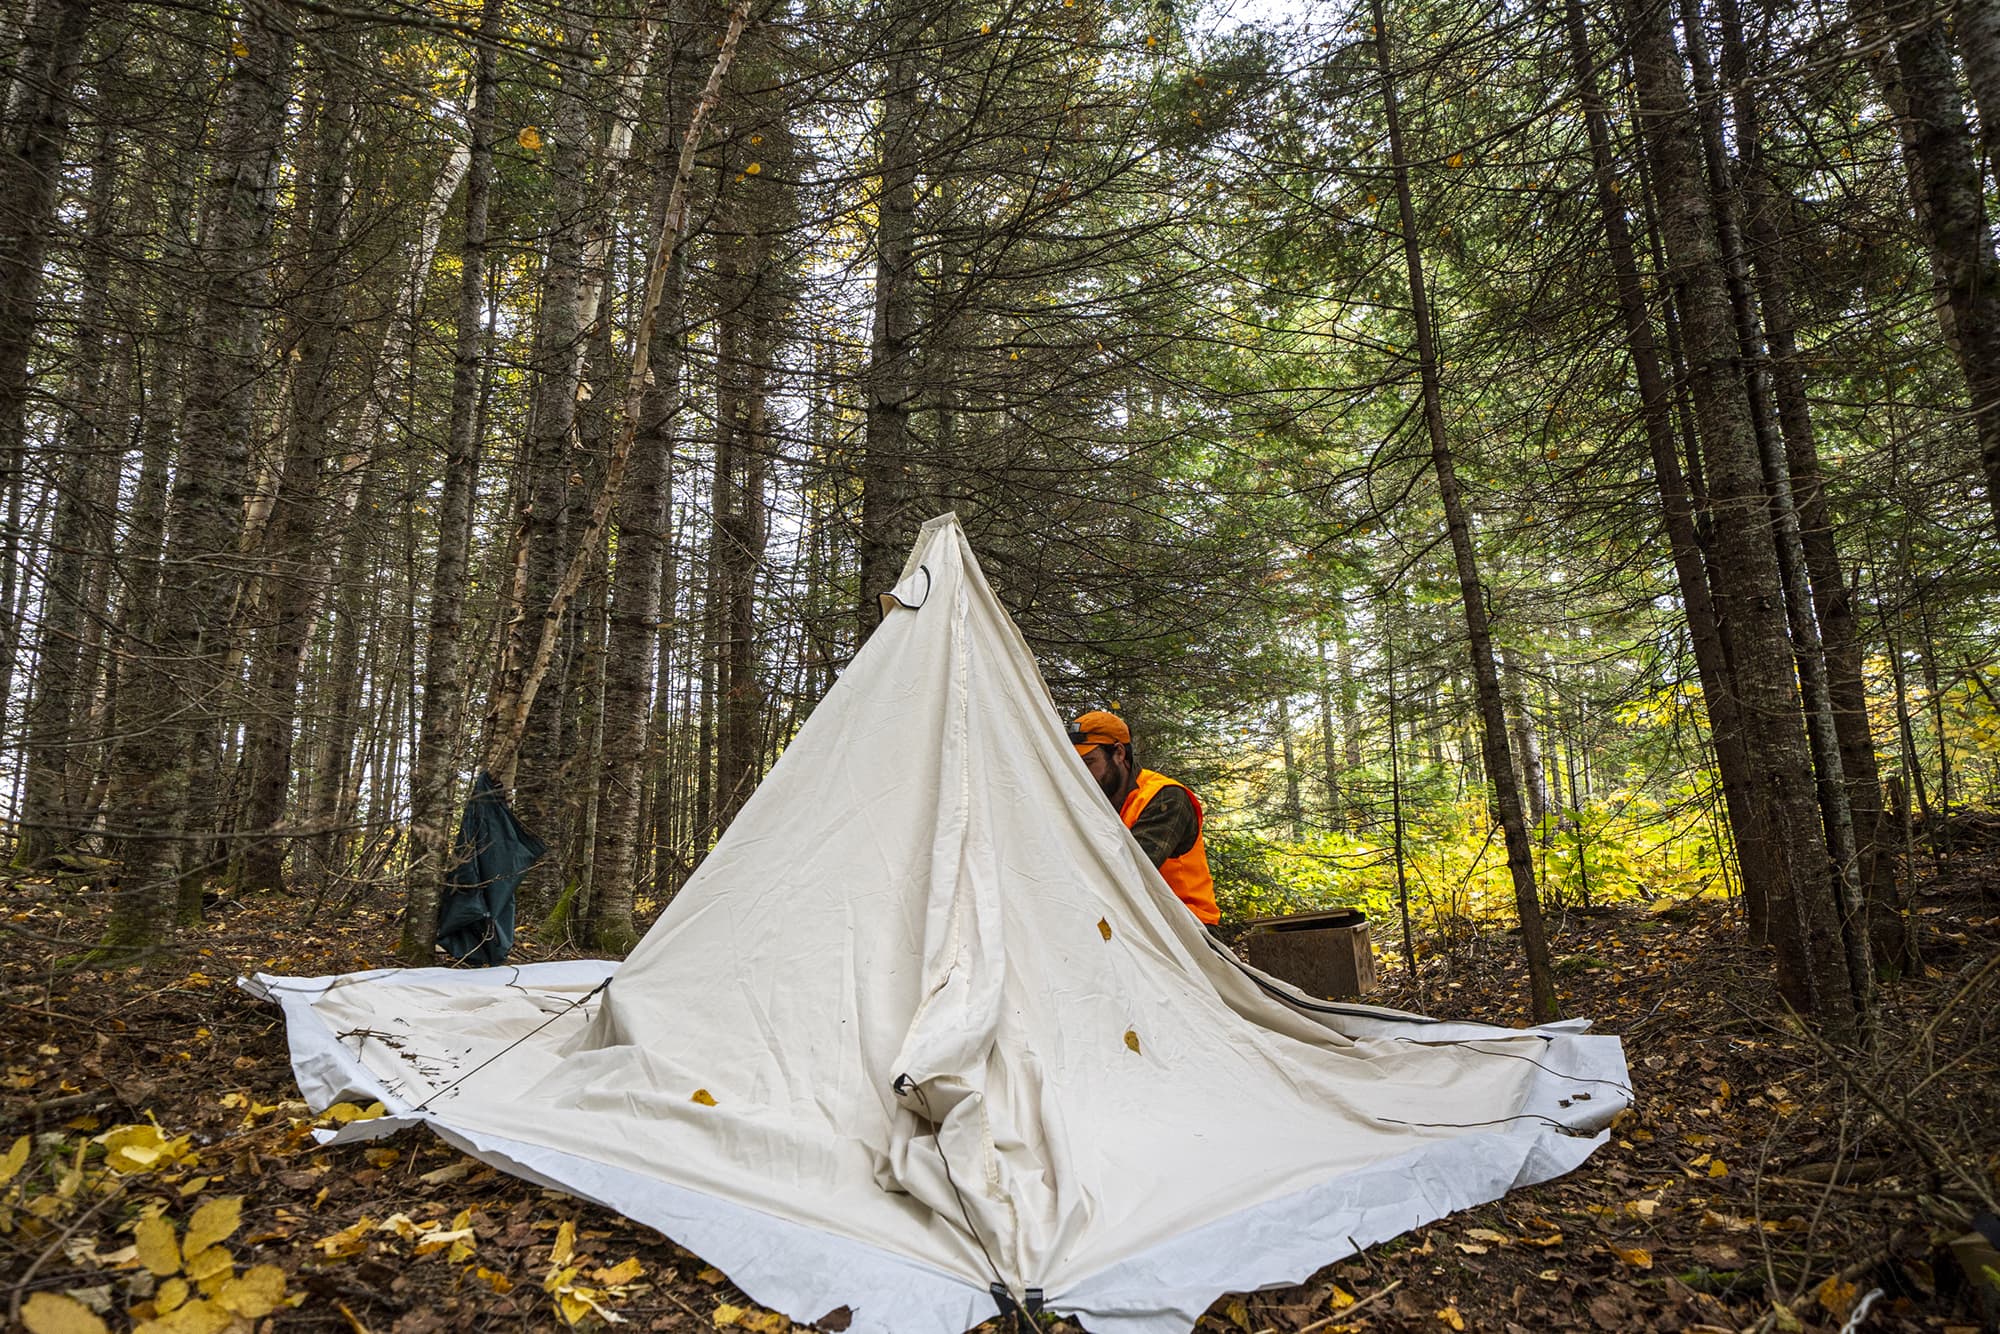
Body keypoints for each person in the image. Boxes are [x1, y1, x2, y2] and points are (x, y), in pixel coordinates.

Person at [1069, 710, 1219, 926]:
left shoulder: (1165, 797)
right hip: (1136, 924)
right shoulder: (1098, 804)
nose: (1082, 774)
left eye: (1089, 762)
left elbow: (1131, 870)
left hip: (1190, 928)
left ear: (1119, 753)